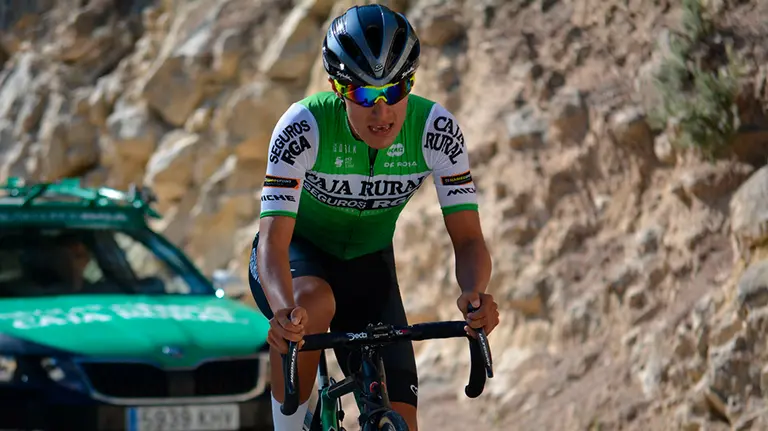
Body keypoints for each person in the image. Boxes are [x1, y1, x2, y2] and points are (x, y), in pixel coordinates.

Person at [248, 4, 500, 431]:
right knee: (311, 306)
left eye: (396, 91)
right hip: (297, 258)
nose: (382, 112)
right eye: (365, 95)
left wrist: (475, 295)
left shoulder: (435, 130)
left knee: (401, 421)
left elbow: (470, 240)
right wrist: (282, 312)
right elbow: (272, 240)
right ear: (337, 87)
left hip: (369, 266)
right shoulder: (303, 127)